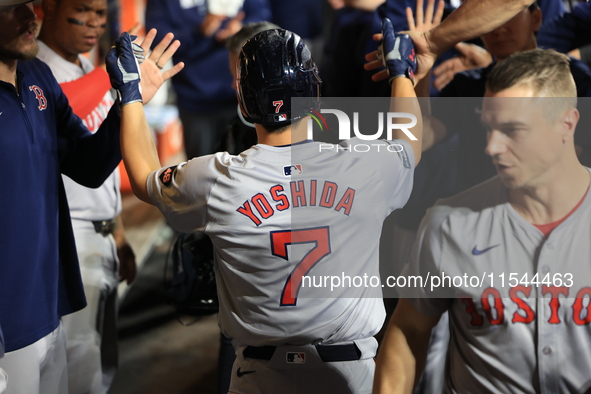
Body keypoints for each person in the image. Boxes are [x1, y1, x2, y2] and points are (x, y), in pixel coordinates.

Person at [106, 18, 421, 393]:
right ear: (314, 94)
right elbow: (410, 145)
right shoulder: (366, 164)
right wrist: (401, 74)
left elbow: (144, 177)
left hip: (260, 375)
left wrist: (131, 94)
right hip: (349, 372)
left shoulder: (217, 177)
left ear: (244, 102)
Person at [373, 48, 591, 393]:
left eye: (512, 130)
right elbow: (408, 329)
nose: (491, 146)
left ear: (567, 124)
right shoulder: (447, 224)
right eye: (489, 128)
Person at [0, 0, 182, 392]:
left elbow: (88, 165)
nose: (30, 17)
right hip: (7, 320)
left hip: (50, 301)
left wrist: (128, 102)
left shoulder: (37, 75)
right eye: (12, 7)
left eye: (29, 5)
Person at [35, 0, 136, 392]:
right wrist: (120, 78)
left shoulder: (80, 66)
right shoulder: (34, 67)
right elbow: (69, 101)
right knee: (79, 367)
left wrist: (119, 230)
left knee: (102, 363)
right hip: (69, 234)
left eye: (101, 13)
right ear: (50, 8)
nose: (95, 23)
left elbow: (100, 168)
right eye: (83, 10)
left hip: (101, 230)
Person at [144, 0, 271, 160]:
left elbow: (263, 16)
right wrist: (200, 32)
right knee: (201, 171)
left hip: (240, 98)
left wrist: (242, 31)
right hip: (194, 100)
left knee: (248, 165)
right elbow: (158, 37)